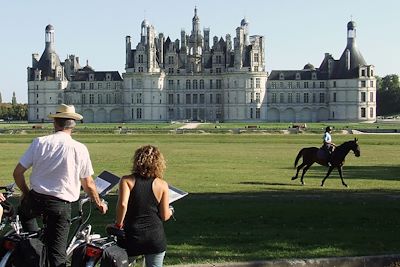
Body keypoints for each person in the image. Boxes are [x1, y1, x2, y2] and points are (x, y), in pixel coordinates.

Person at [12, 104, 108, 267]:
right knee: (57, 256)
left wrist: (27, 193)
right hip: (59, 205)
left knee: (25, 215)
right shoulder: (79, 148)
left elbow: (17, 173)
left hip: (35, 200)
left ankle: (34, 245)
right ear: (73, 125)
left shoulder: (40, 142)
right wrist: (99, 203)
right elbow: (88, 184)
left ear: (55, 123)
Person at [115, 145, 173, 267]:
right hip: (154, 237)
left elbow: (123, 204)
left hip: (132, 235)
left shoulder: (126, 181)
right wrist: (171, 210)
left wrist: (118, 224)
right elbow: (164, 216)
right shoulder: (162, 185)